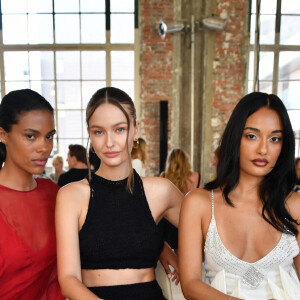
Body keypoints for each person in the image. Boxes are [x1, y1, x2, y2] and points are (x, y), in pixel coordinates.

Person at [55, 87, 183, 300]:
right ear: (90, 135)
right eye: (98, 132)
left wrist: (160, 244)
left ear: (136, 130)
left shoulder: (162, 190)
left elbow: (210, 230)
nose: (109, 142)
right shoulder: (71, 196)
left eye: (120, 129)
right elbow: (68, 280)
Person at [179, 92, 300, 300]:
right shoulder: (198, 203)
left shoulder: (295, 206)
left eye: (274, 139)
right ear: (235, 138)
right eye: (252, 136)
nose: (263, 149)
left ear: (283, 145)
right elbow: (190, 284)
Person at [0, 89, 64, 299]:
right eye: (31, 136)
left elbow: (99, 233)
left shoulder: (55, 194)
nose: (44, 147)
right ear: (3, 135)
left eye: (49, 137)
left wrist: (156, 247)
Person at [159, 148, 201, 252]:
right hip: (189, 222)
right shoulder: (196, 177)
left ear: (170, 161)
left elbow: (160, 203)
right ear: (186, 160)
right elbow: (200, 203)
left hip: (168, 223)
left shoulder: (164, 176)